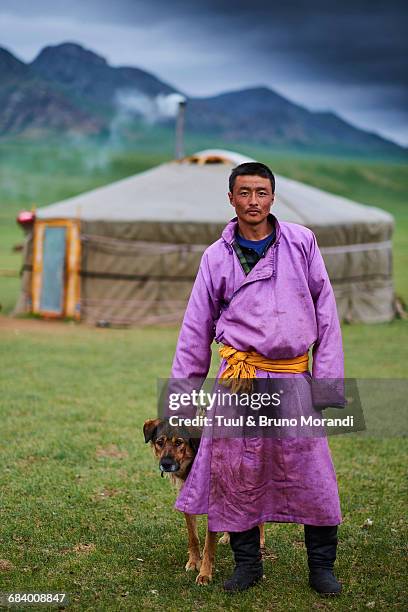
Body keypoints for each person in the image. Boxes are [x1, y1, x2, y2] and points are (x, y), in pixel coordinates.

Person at [170, 162, 344, 594]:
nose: (253, 201)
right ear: (231, 198)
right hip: (239, 380)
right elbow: (195, 328)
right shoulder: (215, 256)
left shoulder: (301, 243)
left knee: (312, 471)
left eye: (261, 192)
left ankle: (321, 567)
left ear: (273, 197)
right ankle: (247, 565)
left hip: (291, 378)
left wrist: (326, 383)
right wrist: (182, 401)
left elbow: (326, 311)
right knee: (236, 472)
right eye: (244, 192)